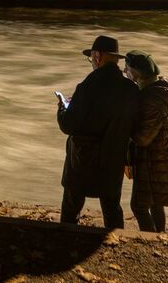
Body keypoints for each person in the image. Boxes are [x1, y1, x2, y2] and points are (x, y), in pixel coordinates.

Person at [57, 35, 139, 229]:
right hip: (113, 157)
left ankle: (64, 236)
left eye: (91, 58)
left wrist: (62, 108)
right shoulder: (130, 89)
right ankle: (115, 238)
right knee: (111, 207)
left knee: (72, 205)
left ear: (97, 56)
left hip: (83, 159)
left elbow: (68, 125)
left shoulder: (87, 86)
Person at [124, 50, 168, 233]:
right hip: (166, 157)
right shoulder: (164, 89)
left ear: (136, 73)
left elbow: (143, 139)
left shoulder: (150, 100)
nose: (125, 73)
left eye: (126, 69)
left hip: (152, 163)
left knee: (139, 206)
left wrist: (125, 127)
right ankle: (160, 235)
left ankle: (151, 241)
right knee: (157, 204)